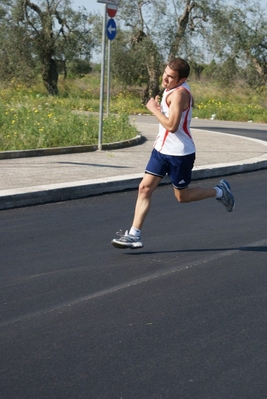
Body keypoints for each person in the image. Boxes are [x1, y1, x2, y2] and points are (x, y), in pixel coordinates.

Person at [111, 58, 235, 249]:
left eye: (171, 77)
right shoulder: (171, 87)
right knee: (144, 188)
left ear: (181, 79)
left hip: (179, 154)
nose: (165, 78)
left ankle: (220, 191)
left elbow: (172, 125)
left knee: (181, 197)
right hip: (161, 150)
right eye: (165, 73)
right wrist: (162, 109)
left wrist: (153, 109)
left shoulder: (180, 94)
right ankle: (134, 235)